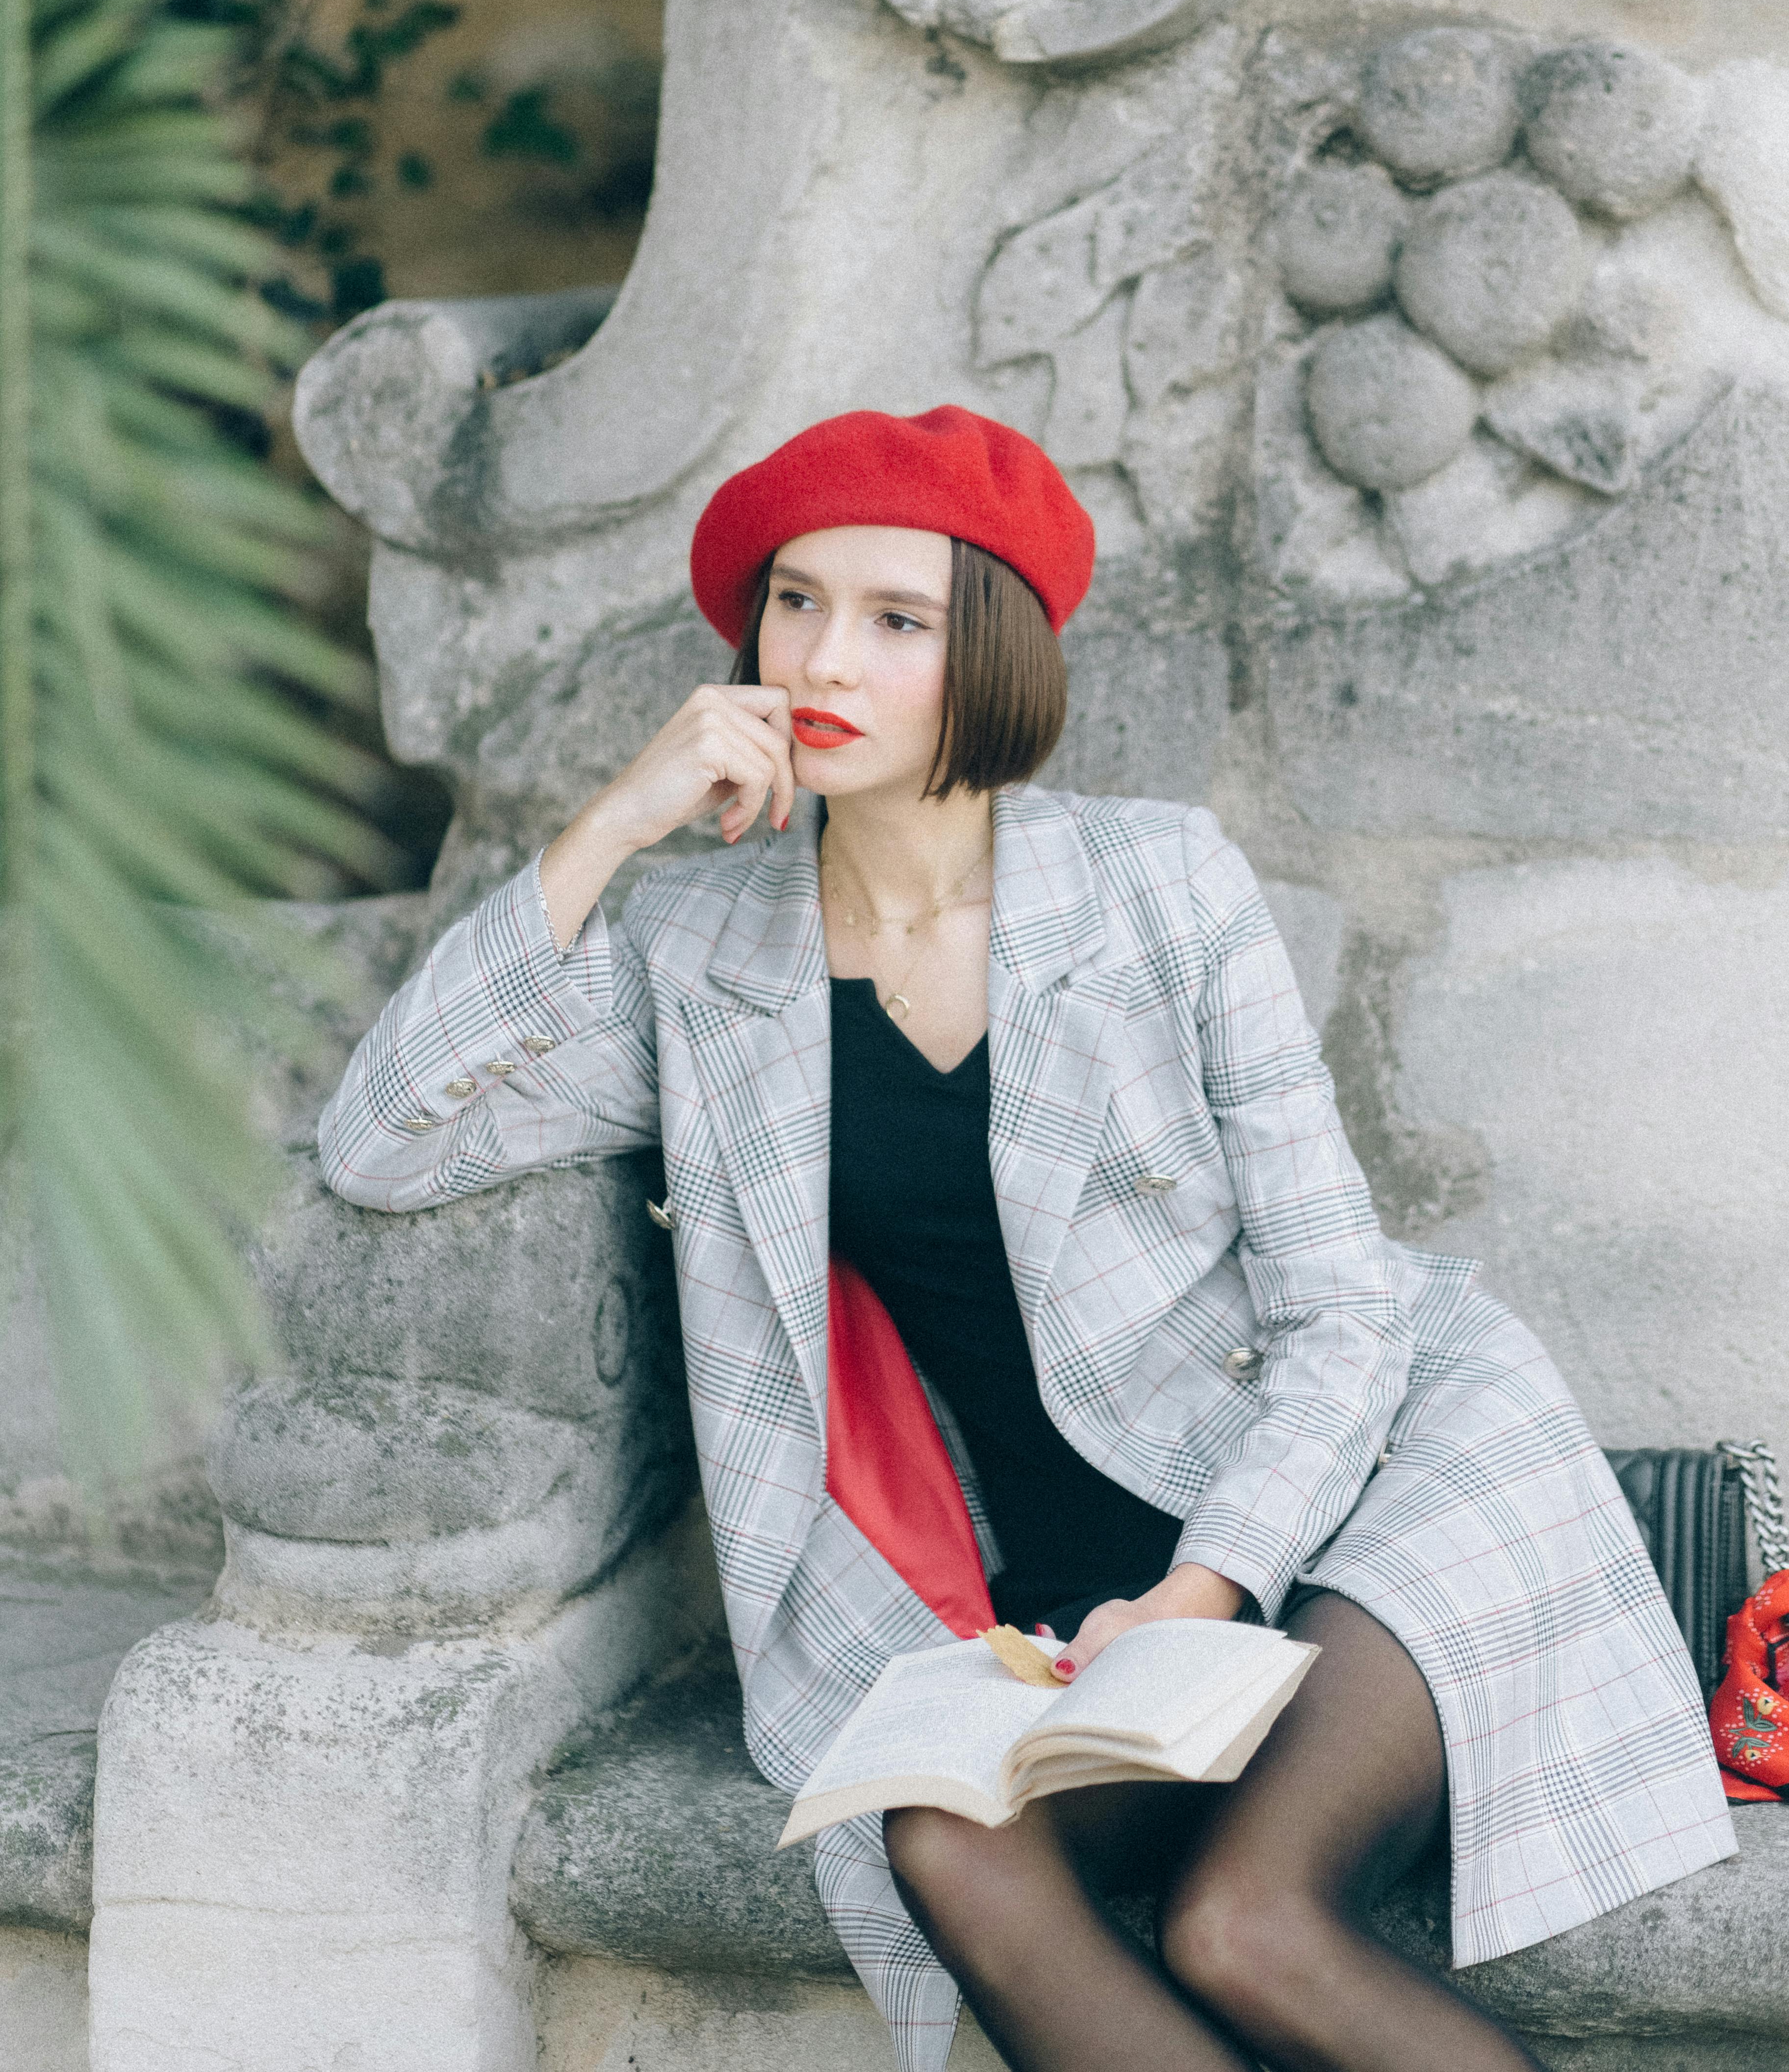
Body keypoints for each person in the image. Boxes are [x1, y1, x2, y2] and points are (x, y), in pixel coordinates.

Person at [321, 405, 1734, 2072]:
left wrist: (1207, 1584)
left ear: (986, 652)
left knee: (1246, 1924)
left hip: (1361, 1498)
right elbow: (388, 1138)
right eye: (795, 602)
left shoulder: (1160, 892)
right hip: (1053, 1607)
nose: (822, 656)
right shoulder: (699, 952)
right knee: (944, 1848)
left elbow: (1343, 1313)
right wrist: (611, 826)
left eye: (896, 619)